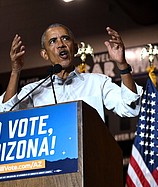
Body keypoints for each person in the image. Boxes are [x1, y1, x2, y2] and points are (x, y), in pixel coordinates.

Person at [0, 23, 143, 121]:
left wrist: (122, 64)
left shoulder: (97, 82)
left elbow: (129, 107)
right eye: (53, 41)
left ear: (75, 48)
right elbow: (6, 114)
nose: (61, 44)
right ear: (44, 54)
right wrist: (15, 71)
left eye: (65, 38)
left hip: (91, 158)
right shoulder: (34, 90)